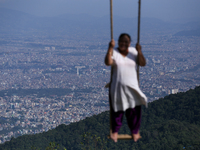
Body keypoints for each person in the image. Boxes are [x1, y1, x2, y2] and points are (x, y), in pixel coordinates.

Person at [104, 33, 147, 143]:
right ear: (118, 42)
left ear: (129, 43)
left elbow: (142, 63)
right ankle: (115, 131)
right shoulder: (114, 52)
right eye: (121, 41)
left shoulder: (133, 52)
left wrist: (139, 51)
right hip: (117, 88)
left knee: (134, 110)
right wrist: (110, 47)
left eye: (126, 42)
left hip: (132, 87)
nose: (123, 44)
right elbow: (108, 62)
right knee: (117, 110)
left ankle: (135, 131)